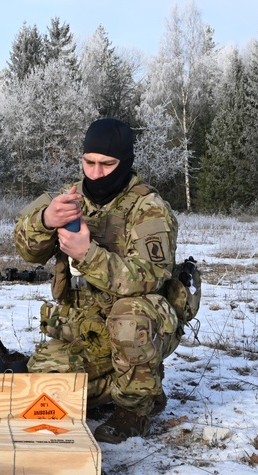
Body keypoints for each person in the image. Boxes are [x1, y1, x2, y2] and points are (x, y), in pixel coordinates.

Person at [13, 118, 183, 443]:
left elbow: (150, 277)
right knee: (42, 377)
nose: (96, 173)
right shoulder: (66, 199)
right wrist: (45, 220)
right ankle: (133, 384)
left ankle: (135, 408)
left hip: (139, 323)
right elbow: (27, 250)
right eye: (88, 162)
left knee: (129, 318)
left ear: (125, 163)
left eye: (107, 164)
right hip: (87, 329)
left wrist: (87, 255)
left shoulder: (149, 209)